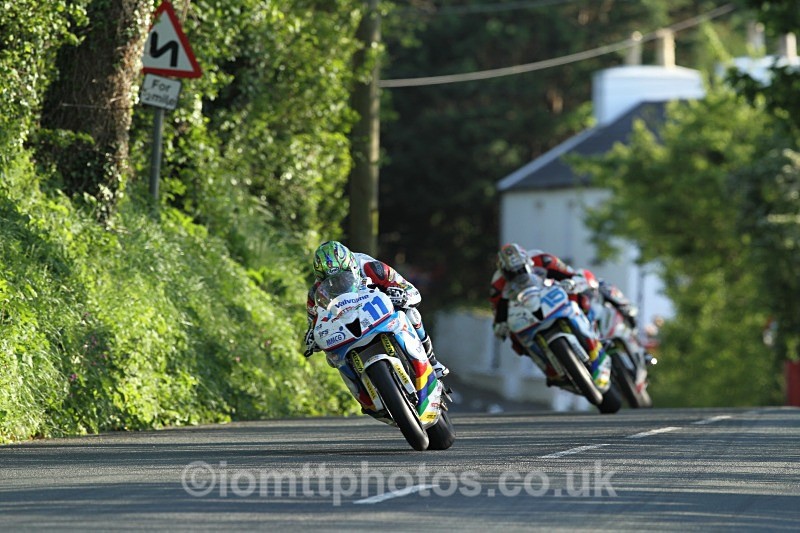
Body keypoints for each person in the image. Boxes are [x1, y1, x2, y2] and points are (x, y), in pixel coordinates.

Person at [303, 240, 449, 379]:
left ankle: (432, 361)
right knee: (332, 359)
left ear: (352, 264)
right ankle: (363, 396)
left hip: (376, 305)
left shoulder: (372, 267)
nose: (339, 282)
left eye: (344, 274)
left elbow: (410, 290)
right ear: (320, 279)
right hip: (346, 323)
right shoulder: (316, 292)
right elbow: (313, 321)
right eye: (330, 280)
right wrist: (312, 335)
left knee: (411, 312)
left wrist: (403, 295)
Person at [489, 243, 607, 389]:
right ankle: (550, 370)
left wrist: (572, 282)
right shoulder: (498, 284)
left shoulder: (542, 259)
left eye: (521, 269)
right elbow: (498, 312)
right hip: (525, 310)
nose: (518, 275)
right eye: (511, 273)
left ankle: (592, 334)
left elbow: (570, 273)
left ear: (528, 262)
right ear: (503, 271)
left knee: (579, 296)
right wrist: (500, 326)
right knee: (516, 341)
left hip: (549, 295)